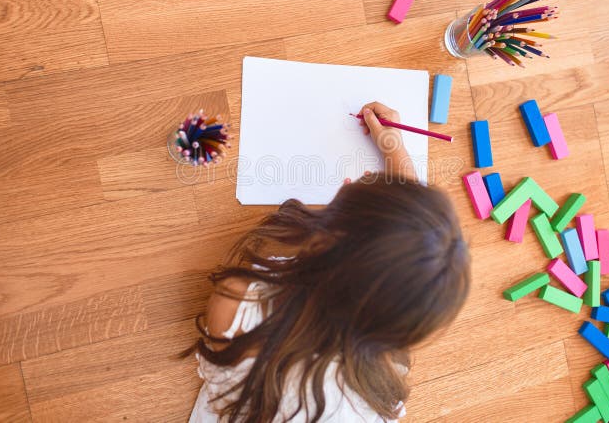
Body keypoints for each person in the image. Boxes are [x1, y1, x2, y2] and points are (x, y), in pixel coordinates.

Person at [184, 102, 470, 422]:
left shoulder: (239, 303)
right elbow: (405, 257)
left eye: (345, 198)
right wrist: (395, 151)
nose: (359, 176)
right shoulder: (388, 340)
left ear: (322, 239)